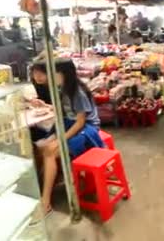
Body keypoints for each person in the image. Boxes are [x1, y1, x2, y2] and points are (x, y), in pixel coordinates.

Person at [39, 58, 103, 213]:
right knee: (43, 148)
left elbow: (80, 122)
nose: (49, 76)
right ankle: (55, 181)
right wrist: (46, 106)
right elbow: (67, 112)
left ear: (64, 73)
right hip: (70, 124)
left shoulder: (77, 92)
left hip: (86, 129)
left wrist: (61, 140)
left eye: (53, 73)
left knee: (49, 152)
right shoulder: (63, 88)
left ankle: (45, 200)